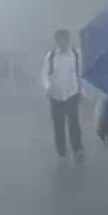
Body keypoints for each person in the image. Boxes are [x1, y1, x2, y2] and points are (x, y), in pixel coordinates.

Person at [43, 28, 84, 161]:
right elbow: (44, 74)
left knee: (74, 123)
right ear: (57, 41)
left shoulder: (75, 55)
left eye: (64, 40)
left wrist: (81, 91)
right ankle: (62, 151)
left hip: (72, 94)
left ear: (68, 40)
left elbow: (79, 74)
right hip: (55, 97)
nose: (62, 43)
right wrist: (47, 87)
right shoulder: (51, 56)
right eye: (60, 41)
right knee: (58, 124)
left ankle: (77, 149)